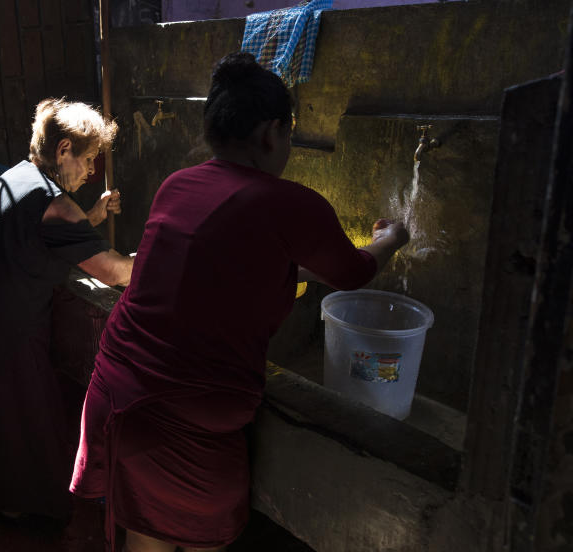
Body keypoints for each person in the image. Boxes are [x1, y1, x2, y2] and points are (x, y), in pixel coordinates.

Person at [70, 52, 410, 552]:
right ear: (273, 132)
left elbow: (243, 261)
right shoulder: (289, 202)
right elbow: (354, 273)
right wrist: (392, 238)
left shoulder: (177, 185)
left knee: (146, 535)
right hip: (179, 410)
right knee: (203, 533)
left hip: (116, 388)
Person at [0, 98, 135, 522]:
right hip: (7, 337)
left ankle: (3, 501)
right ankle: (34, 518)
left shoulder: (16, 178)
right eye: (88, 159)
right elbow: (113, 272)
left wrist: (90, 215)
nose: (91, 172)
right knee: (27, 431)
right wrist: (167, 257)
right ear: (63, 150)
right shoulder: (54, 204)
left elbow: (40, 236)